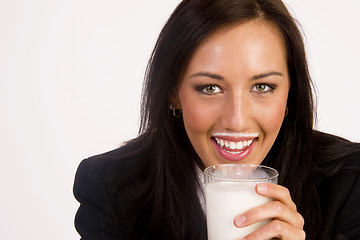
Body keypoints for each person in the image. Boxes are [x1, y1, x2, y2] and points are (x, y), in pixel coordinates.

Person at [73, 0, 360, 239]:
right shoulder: (109, 187)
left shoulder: (348, 181)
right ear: (173, 93)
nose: (236, 121)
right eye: (210, 88)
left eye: (262, 87)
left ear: (290, 94)